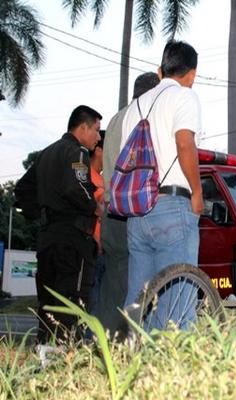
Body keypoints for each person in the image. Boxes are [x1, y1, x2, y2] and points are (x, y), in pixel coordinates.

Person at [121, 41, 203, 330]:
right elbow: (185, 143)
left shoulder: (135, 106)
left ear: (160, 71)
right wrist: (197, 192)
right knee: (177, 297)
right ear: (192, 74)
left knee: (139, 298)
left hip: (137, 211)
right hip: (171, 204)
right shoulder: (184, 97)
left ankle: (132, 361)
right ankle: (175, 369)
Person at [96, 72, 160, 335]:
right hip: (132, 211)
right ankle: (130, 344)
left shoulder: (115, 120)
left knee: (113, 285)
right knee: (138, 285)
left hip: (111, 214)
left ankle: (104, 343)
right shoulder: (144, 119)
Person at [35, 105, 103, 342]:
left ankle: (44, 354)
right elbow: (77, 186)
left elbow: (24, 189)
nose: (98, 137)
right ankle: (67, 360)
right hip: (72, 241)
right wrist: (96, 207)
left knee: (47, 304)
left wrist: (44, 211)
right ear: (83, 127)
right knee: (72, 303)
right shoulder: (78, 153)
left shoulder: (46, 153)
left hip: (46, 237)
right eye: (96, 130)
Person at [89, 130, 105, 315]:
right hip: (94, 249)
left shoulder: (102, 179)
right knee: (92, 302)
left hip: (104, 250)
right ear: (99, 150)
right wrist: (96, 239)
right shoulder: (86, 175)